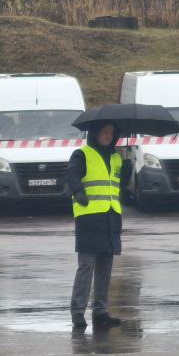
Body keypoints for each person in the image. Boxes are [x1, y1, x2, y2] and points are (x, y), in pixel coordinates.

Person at [65, 122, 127, 330]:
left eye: (111, 133)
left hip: (110, 217)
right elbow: (72, 174)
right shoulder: (82, 154)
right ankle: (78, 312)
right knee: (86, 267)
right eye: (105, 132)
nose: (108, 136)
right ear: (95, 133)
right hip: (89, 217)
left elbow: (119, 186)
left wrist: (126, 171)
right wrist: (77, 191)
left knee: (105, 268)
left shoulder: (117, 158)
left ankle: (100, 311)